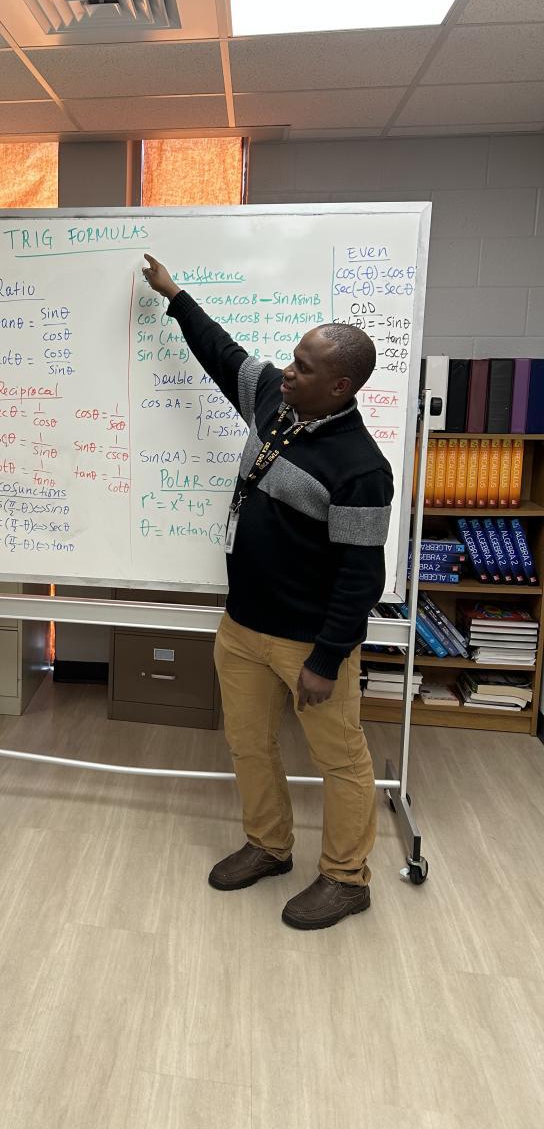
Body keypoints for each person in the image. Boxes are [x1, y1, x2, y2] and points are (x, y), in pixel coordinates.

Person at [142, 254, 393, 930]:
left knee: (340, 761)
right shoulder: (275, 404)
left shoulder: (361, 468)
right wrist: (175, 295)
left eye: (304, 367)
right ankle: (269, 846)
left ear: (339, 386)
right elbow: (222, 353)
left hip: (309, 644)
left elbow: (361, 577)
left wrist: (327, 658)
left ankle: (346, 878)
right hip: (242, 627)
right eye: (293, 359)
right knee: (248, 744)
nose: (288, 371)